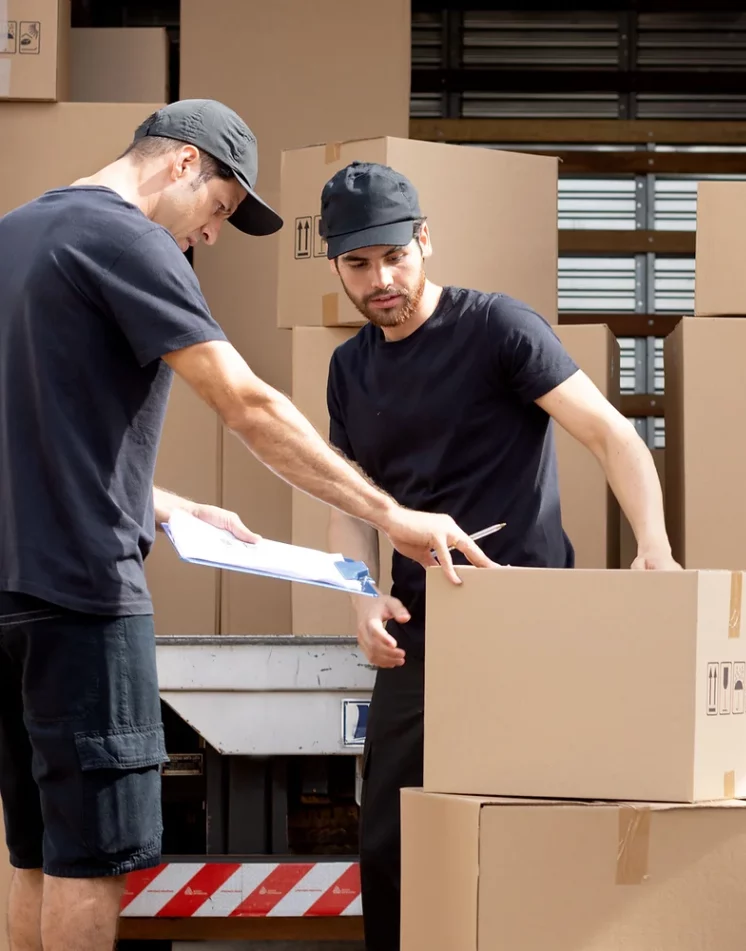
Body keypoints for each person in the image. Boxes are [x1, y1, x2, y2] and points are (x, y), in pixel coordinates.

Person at [0, 101, 493, 951]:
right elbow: (248, 404)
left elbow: (34, 427)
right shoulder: (130, 240)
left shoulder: (14, 236)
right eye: (222, 208)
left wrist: (163, 503)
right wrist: (391, 515)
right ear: (183, 164)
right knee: (91, 860)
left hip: (9, 594)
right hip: (80, 597)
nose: (214, 234)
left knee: (33, 850)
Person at [318, 160, 682, 951]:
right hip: (418, 630)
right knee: (391, 845)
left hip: (529, 626)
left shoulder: (498, 329)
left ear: (424, 240)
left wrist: (653, 545)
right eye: (357, 263)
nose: (380, 279)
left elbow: (612, 435)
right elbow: (348, 504)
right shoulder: (350, 369)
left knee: (535, 838)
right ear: (337, 267)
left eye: (394, 255)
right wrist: (360, 598)